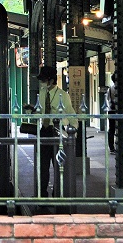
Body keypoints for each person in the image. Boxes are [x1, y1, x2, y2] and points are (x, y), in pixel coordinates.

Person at [31, 66, 76, 197]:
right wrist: (33, 111)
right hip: (44, 131)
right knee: (43, 166)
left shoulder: (63, 95)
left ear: (50, 80)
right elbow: (39, 111)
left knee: (58, 165)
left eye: (43, 79)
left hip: (57, 132)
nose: (41, 82)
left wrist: (73, 134)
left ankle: (58, 193)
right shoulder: (42, 93)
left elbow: (71, 114)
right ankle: (42, 193)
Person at [106, 72, 119, 154]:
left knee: (111, 129)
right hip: (119, 112)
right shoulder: (120, 89)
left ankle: (111, 147)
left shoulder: (110, 89)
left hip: (111, 110)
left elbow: (108, 99)